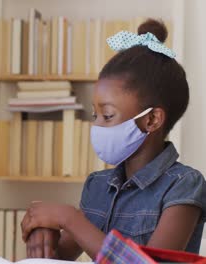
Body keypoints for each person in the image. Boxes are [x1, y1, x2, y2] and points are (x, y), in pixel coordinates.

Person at [21, 19, 206, 260]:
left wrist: (69, 217)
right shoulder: (97, 186)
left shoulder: (184, 184)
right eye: (95, 114)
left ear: (151, 120)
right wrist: (43, 229)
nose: (96, 125)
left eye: (107, 116)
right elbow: (59, 258)